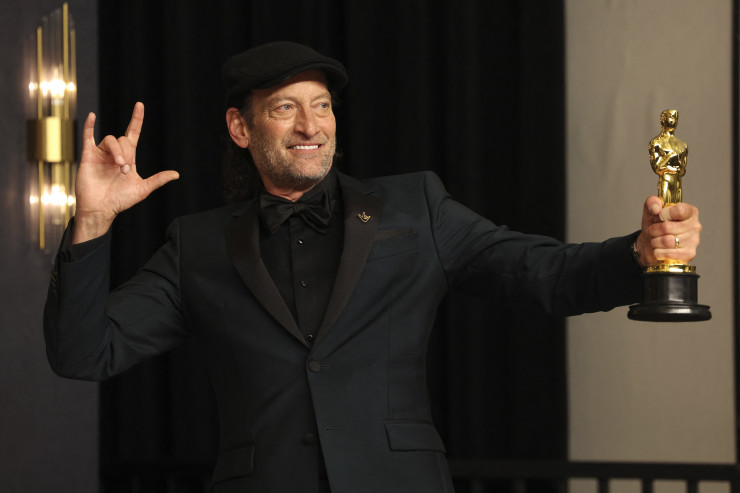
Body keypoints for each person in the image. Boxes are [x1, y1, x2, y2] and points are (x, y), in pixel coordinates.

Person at [44, 42, 703, 493]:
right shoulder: (199, 244)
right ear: (241, 129)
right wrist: (93, 222)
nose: (311, 126)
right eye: (285, 108)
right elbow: (83, 351)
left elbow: (545, 274)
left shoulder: (415, 208)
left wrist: (639, 255)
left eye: (322, 105)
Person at [650, 109, 688, 206]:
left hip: (677, 182)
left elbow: (683, 169)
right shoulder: (656, 143)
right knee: (665, 210)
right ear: (663, 119)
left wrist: (672, 166)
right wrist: (672, 156)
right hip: (665, 179)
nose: (673, 121)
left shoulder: (683, 145)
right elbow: (657, 167)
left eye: (676, 118)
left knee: (678, 211)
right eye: (671, 117)